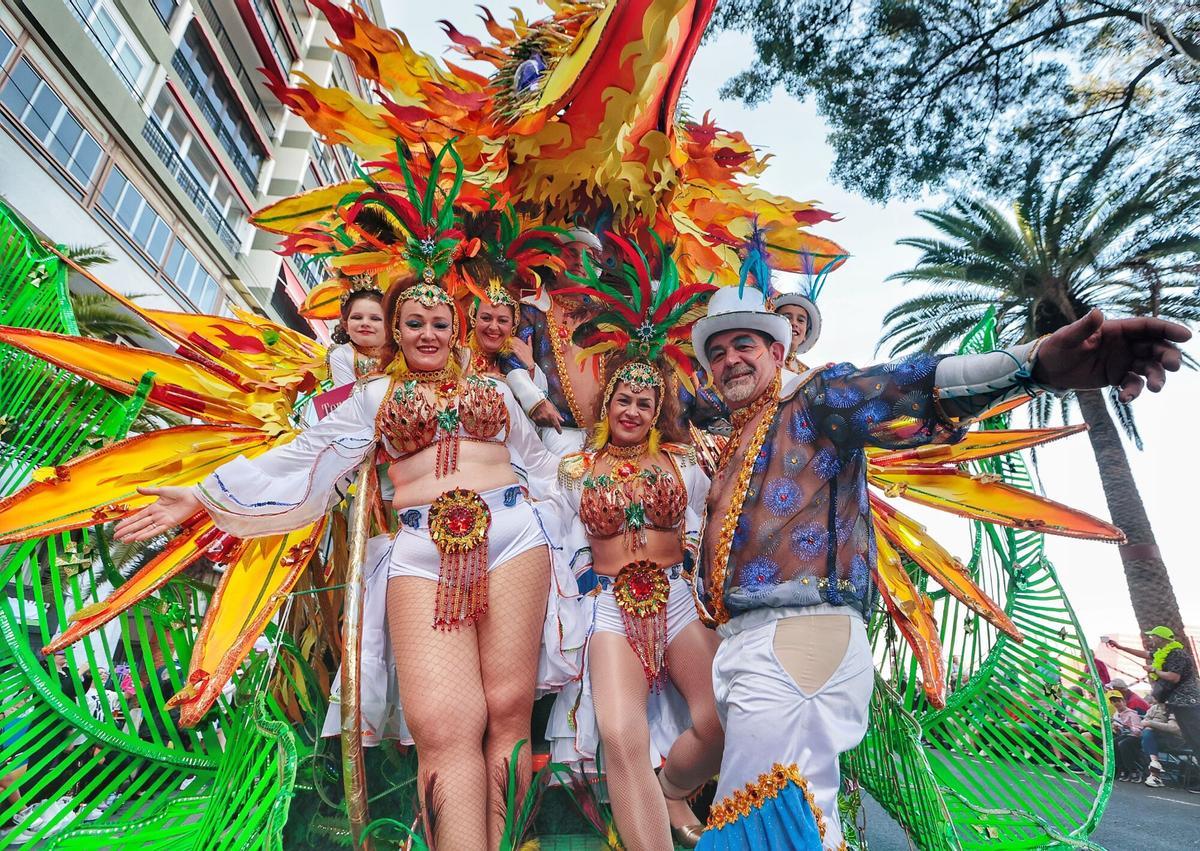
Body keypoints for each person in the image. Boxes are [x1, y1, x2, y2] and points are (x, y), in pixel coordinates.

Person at [113, 157, 571, 849]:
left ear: (456, 328)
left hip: (514, 537)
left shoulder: (499, 390)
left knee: (507, 709)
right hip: (419, 550)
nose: (427, 334)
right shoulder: (370, 397)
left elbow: (543, 468)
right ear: (395, 330)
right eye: (412, 322)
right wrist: (202, 496)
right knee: (443, 724)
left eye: (438, 322)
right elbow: (302, 458)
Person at [689, 283, 1190, 849]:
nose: (730, 360)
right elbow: (686, 408)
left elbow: (907, 385)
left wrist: (1033, 364)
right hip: (754, 643)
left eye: (745, 345)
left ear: (778, 353)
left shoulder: (816, 398)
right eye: (717, 352)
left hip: (796, 636)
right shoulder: (741, 431)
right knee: (793, 819)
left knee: (763, 820)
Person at [547, 237, 721, 849]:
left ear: (657, 410)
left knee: (720, 717)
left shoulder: (685, 461)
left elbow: (713, 520)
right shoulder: (573, 466)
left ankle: (673, 788)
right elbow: (556, 537)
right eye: (624, 398)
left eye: (645, 403)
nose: (633, 410)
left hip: (675, 599)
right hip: (609, 607)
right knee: (621, 736)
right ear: (608, 402)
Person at [1108, 627, 1200, 786]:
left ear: (1161, 638)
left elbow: (1174, 677)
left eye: (1153, 637)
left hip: (1187, 702)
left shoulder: (1177, 654)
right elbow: (1145, 654)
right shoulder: (1162, 653)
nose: (1151, 639)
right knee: (1193, 739)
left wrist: (1154, 670)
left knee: (1195, 738)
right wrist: (1120, 647)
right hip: (1177, 703)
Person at [327, 276, 391, 387]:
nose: (365, 323)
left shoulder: (403, 353)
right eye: (357, 317)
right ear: (346, 326)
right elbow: (349, 396)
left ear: (389, 326)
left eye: (375, 319)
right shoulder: (342, 355)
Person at [770, 289, 820, 374]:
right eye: (787, 317)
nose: (794, 323)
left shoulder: (807, 373)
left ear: (805, 334)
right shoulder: (761, 360)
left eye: (800, 320)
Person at [1141, 695, 1185, 788]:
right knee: (1143, 736)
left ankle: (1154, 771)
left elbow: (1174, 729)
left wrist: (1151, 724)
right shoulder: (1154, 708)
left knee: (1147, 736)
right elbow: (1144, 721)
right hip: (1155, 738)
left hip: (1174, 740)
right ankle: (1154, 768)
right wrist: (1149, 725)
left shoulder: (1175, 709)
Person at [1110, 690, 1145, 781]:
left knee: (1123, 744)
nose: (1116, 703)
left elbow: (1138, 732)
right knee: (1113, 743)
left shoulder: (1132, 714)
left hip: (1135, 737)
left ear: (1124, 701)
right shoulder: (1116, 715)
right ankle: (1122, 769)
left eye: (1118, 701)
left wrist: (1130, 727)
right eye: (1114, 701)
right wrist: (1116, 728)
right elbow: (1119, 731)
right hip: (1124, 736)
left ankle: (1134, 770)